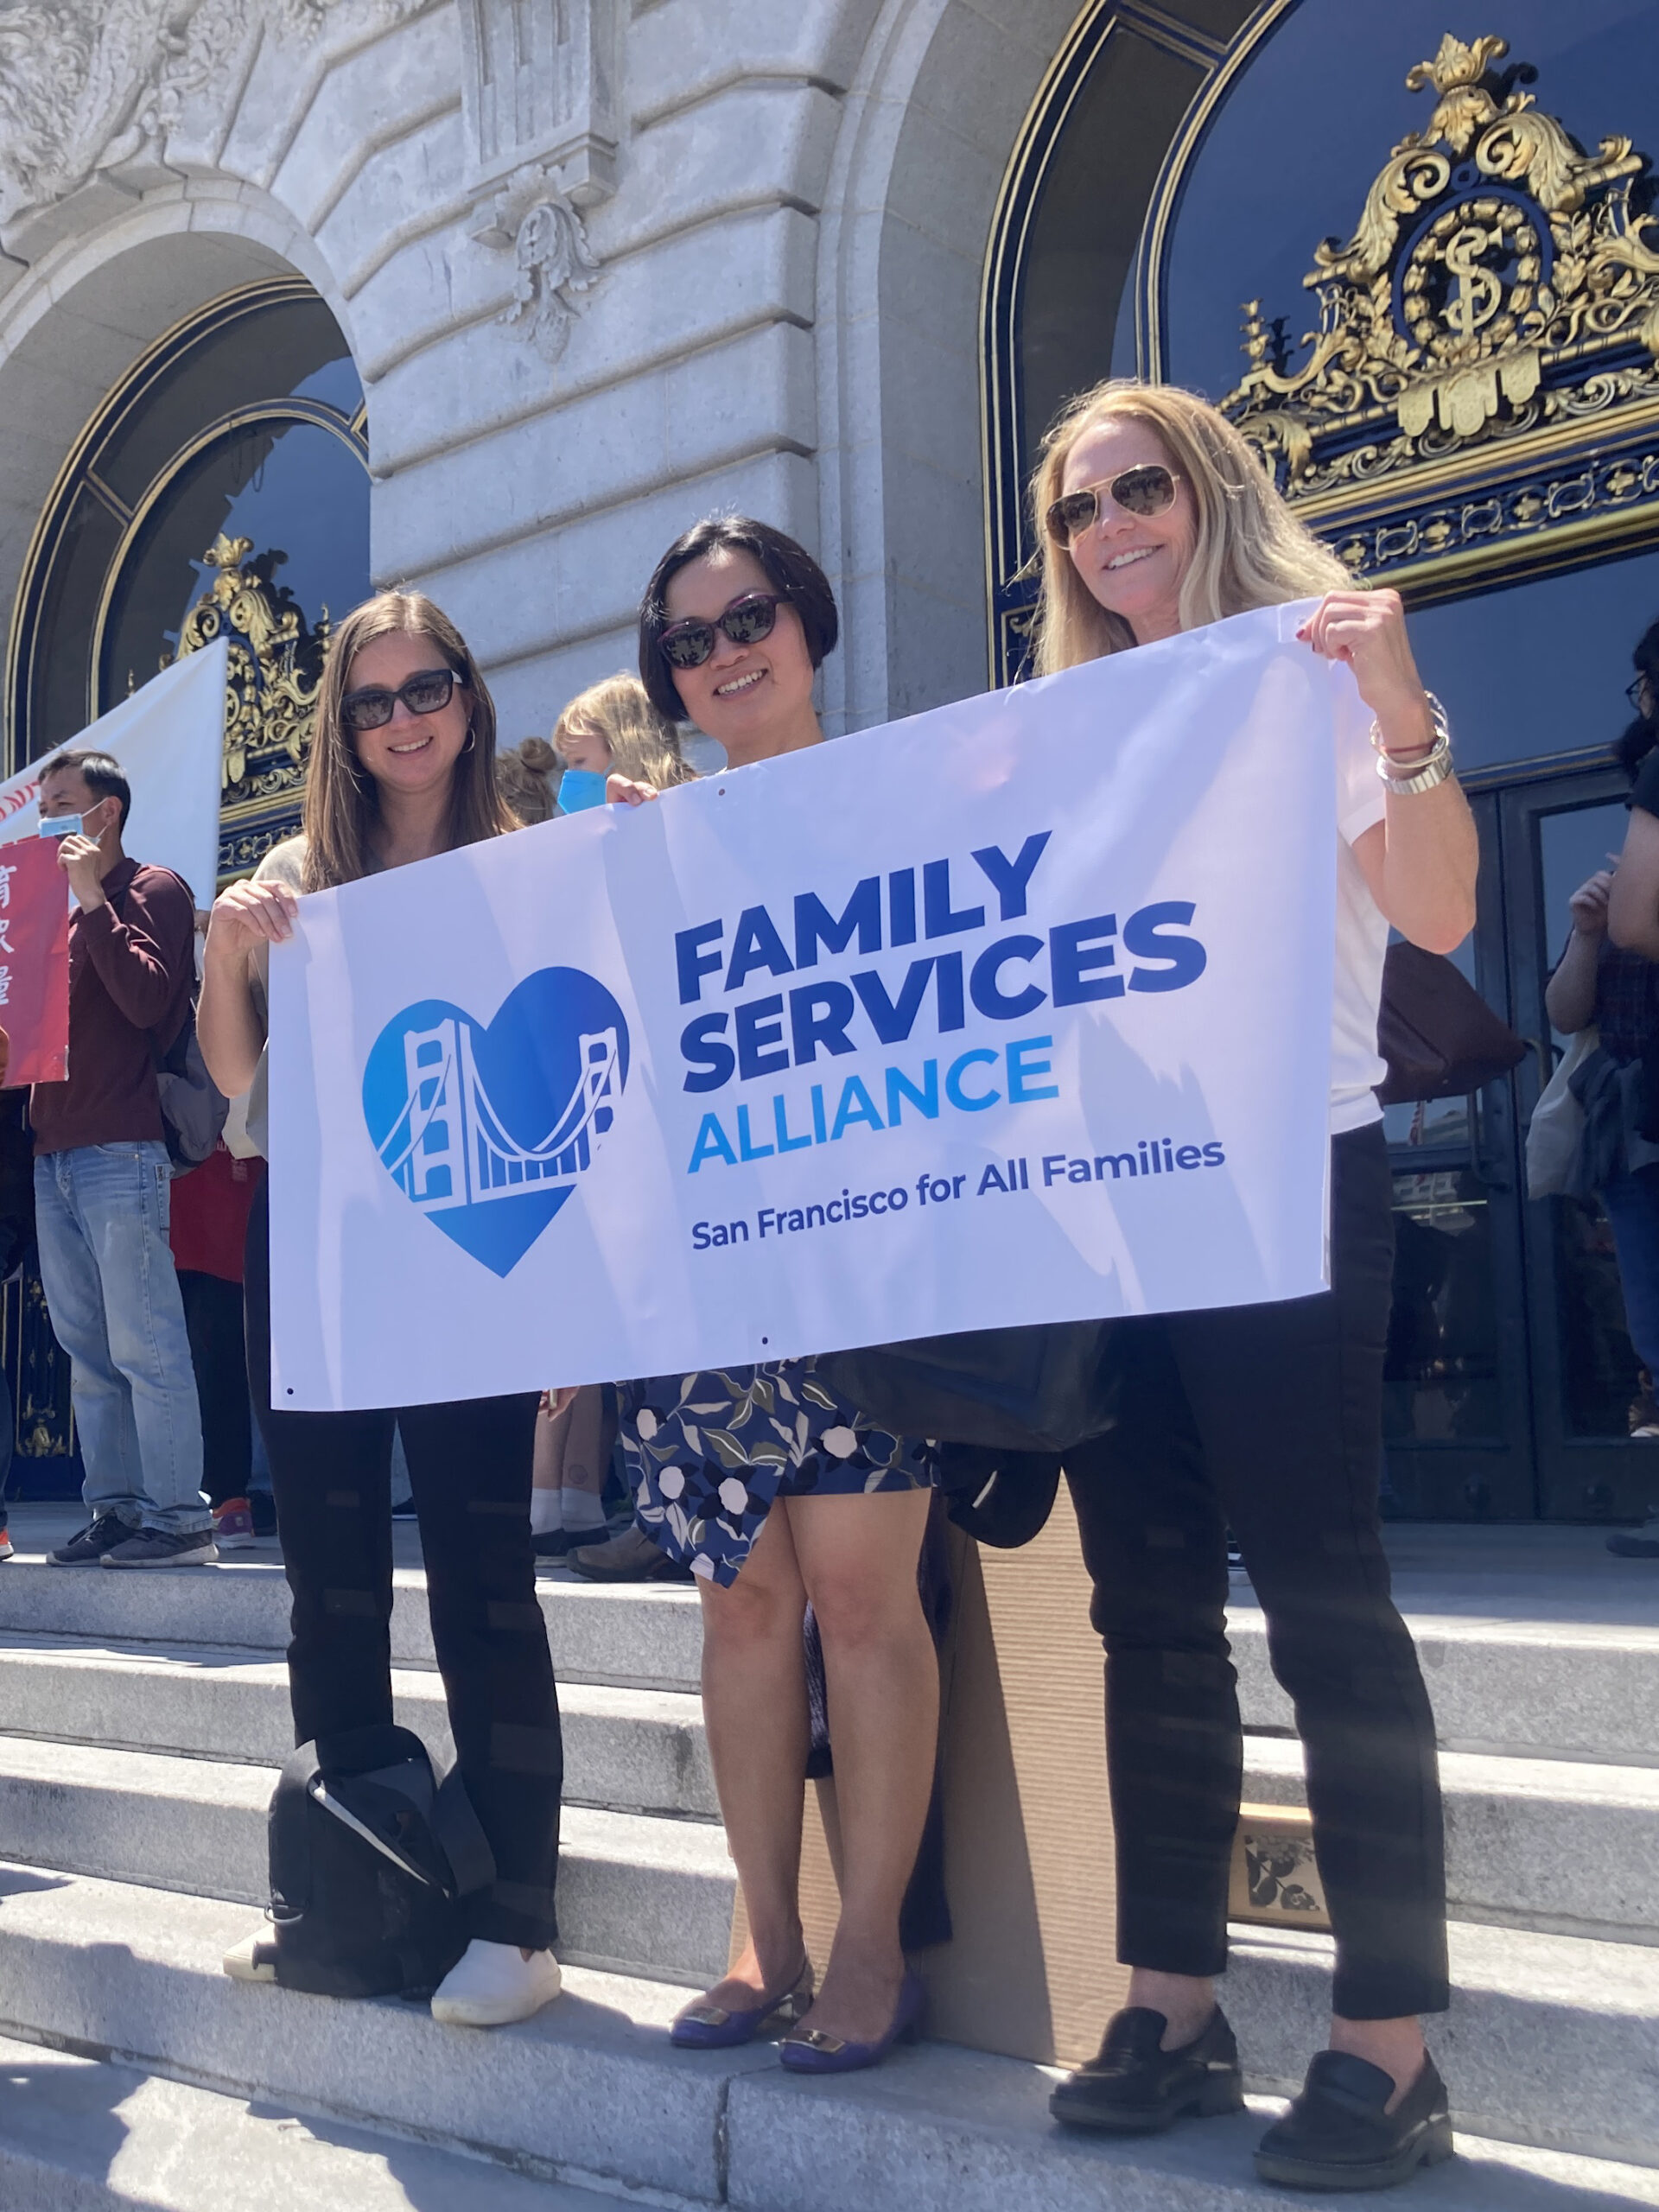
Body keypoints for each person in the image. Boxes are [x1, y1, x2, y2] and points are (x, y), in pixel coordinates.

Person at [1033, 382, 1478, 2191]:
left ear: (1210, 486)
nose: (1109, 529)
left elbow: (1440, 916)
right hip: (1116, 1204)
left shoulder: (1314, 680)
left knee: (1323, 1605)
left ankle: (1389, 2043)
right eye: (1076, 510)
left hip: (1293, 1169)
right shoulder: (1070, 726)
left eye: (1137, 487)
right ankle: (1174, 2002)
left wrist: (1402, 710)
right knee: (1142, 1610)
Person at [577, 517, 938, 2072]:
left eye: (751, 617)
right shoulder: (652, 845)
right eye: (690, 640)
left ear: (811, 621)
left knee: (861, 1605)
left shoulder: (905, 801)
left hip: (863, 1269)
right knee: (740, 1605)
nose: (725, 652)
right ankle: (764, 1936)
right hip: (703, 1288)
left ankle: (870, 1950)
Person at [198, 590, 565, 2028]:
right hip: (319, 1242)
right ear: (341, 730)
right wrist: (229, 952)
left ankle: (518, 1920)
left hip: (473, 1242)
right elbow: (241, 1081)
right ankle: (343, 1903)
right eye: (371, 702)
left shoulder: (526, 862)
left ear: (468, 698)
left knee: (484, 1576)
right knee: (330, 1581)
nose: (403, 719)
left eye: (426, 689)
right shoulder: (299, 872)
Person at [29, 750, 213, 1569]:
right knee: (87, 1350)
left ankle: (180, 1518)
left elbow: (146, 1002)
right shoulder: (51, 917)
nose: (47, 820)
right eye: (42, 806)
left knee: (146, 1341)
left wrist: (90, 897)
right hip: (53, 1152)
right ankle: (115, 1508)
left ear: (106, 812)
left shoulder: (154, 890)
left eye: (61, 804)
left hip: (121, 1148)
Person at [1562, 616, 1659, 1559]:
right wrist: (1589, 933)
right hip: (1635, 1129)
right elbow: (1566, 1010)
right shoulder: (1625, 882)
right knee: (1651, 1318)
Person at [168, 1134, 264, 1551]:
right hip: (208, 1196)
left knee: (213, 1363)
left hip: (221, 1193)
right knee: (217, 1364)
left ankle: (225, 1498)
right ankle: (226, 1501)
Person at [551, 671, 696, 791]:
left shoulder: (695, 800)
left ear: (626, 749)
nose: (570, 777)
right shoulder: (599, 818)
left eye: (579, 761)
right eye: (568, 765)